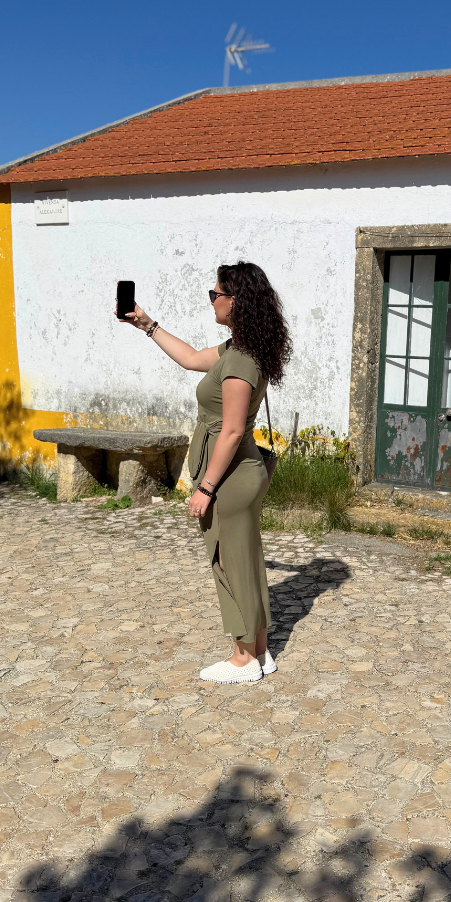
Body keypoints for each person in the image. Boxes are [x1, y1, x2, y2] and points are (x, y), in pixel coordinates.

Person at [123, 262, 292, 685]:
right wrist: (147, 325)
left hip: (230, 477)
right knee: (246, 559)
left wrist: (205, 487)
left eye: (215, 294)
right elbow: (191, 358)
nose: (211, 300)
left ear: (236, 301)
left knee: (228, 561)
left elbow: (232, 431)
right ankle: (260, 651)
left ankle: (242, 659)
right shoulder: (240, 349)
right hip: (240, 474)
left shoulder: (239, 361)